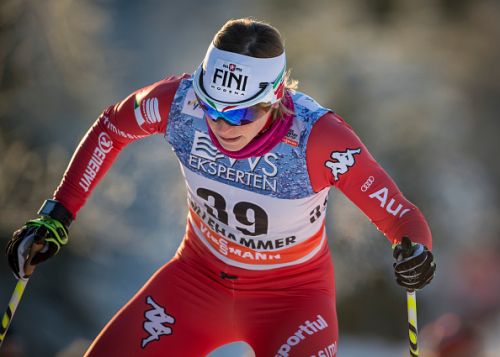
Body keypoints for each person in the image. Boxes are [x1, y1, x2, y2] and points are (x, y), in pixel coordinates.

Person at [5, 18, 436, 356]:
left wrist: (414, 250)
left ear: (274, 98)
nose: (221, 125)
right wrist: (58, 214)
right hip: (195, 283)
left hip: (291, 301)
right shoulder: (179, 102)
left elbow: (400, 216)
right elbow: (110, 128)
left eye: (240, 116)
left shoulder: (318, 138)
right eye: (212, 107)